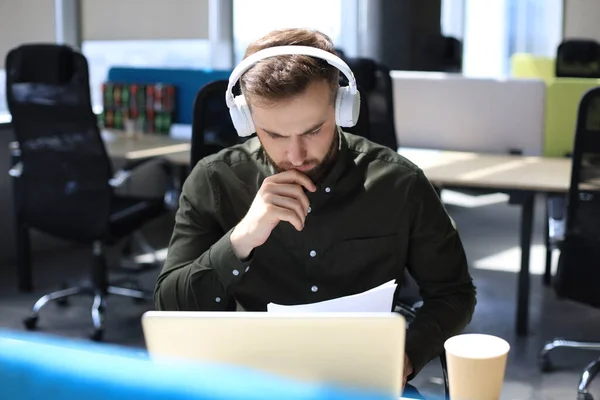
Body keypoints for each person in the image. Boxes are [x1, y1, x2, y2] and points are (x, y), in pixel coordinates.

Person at [154, 28, 477, 397]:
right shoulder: (214, 180)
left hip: (362, 378)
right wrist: (242, 239)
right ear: (246, 120)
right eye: (273, 135)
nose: (295, 155)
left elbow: (454, 293)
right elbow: (170, 309)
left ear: (341, 108)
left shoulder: (398, 183)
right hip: (250, 379)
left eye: (313, 130)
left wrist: (407, 354)